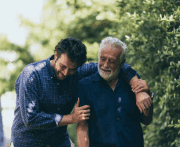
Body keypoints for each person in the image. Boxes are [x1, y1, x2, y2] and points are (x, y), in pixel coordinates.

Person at [11, 37, 150, 147]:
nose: (66, 73)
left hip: (59, 142)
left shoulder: (78, 72)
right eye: (63, 66)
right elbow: (31, 119)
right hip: (27, 142)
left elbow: (116, 66)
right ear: (56, 55)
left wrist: (138, 88)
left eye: (72, 69)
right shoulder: (32, 74)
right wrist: (72, 118)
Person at [76, 37, 153, 147]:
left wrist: (147, 96)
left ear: (122, 63)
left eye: (111, 61)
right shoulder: (85, 85)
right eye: (102, 59)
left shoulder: (134, 84)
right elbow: (82, 126)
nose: (105, 65)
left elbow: (146, 120)